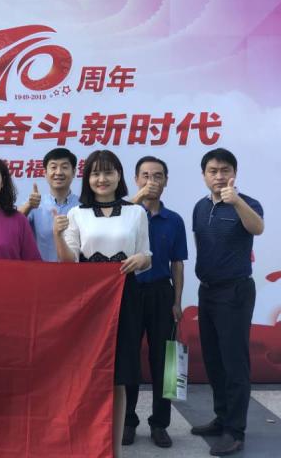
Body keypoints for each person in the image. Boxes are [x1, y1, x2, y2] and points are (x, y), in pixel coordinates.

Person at [55, 150, 151, 458]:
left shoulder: (136, 212)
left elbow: (147, 255)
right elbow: (69, 261)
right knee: (88, 372)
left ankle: (114, 449)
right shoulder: (77, 214)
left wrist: (142, 259)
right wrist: (58, 236)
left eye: (108, 172)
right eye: (96, 173)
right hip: (89, 301)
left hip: (125, 297)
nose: (102, 179)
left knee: (118, 375)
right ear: (87, 179)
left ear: (119, 176)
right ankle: (83, 442)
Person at [190, 148, 264, 456]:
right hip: (207, 290)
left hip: (235, 291)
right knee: (214, 359)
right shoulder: (199, 207)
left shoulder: (247, 203)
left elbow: (257, 228)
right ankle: (222, 417)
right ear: (204, 175)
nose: (219, 176)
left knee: (234, 363)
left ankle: (235, 431)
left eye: (225, 170)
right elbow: (201, 244)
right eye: (213, 171)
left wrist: (237, 202)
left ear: (234, 173)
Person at [123, 156, 188, 449]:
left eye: (158, 176)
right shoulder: (123, 213)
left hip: (162, 293)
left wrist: (177, 301)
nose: (151, 181)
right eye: (146, 175)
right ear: (136, 179)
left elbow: (178, 263)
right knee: (128, 358)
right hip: (129, 292)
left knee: (166, 362)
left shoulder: (174, 220)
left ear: (166, 181)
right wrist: (134, 203)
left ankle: (160, 424)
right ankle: (127, 421)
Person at [19, 147, 80, 261]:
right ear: (45, 173)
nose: (59, 172)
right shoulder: (35, 203)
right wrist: (28, 206)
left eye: (64, 167)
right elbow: (11, 224)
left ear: (74, 172)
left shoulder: (82, 205)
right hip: (41, 270)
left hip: (75, 270)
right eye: (53, 167)